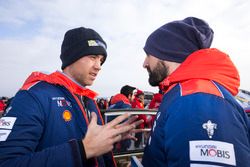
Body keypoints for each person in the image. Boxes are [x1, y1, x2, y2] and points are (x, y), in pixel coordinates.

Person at [0, 27, 142, 167]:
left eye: (101, 60)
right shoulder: (34, 96)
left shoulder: (88, 99)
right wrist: (83, 150)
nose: (99, 66)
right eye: (93, 57)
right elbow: (6, 161)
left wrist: (111, 137)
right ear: (72, 57)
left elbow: (91, 144)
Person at [141, 17, 250, 166]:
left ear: (166, 53)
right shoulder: (183, 94)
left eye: (148, 54)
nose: (145, 63)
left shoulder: (195, 99)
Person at [108, 85, 136, 152]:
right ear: (129, 95)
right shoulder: (126, 105)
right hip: (119, 140)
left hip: (110, 135)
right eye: (133, 95)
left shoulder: (115, 104)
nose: (134, 97)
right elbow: (125, 125)